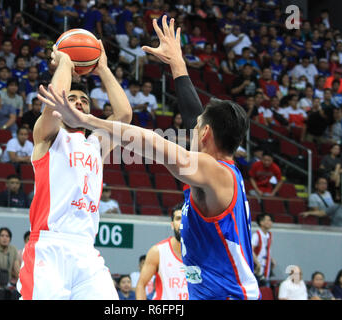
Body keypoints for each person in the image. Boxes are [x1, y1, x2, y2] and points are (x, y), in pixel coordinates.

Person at [38, 16, 260, 300]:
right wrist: (177, 64)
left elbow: (153, 143)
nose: (190, 128)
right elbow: (195, 114)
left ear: (204, 135)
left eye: (197, 127)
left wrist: (88, 119)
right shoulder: (218, 167)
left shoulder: (213, 170)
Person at [17, 40, 132, 300]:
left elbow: (124, 116)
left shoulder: (96, 144)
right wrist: (66, 64)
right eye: (73, 98)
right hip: (49, 244)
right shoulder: (47, 137)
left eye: (84, 100)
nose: (79, 102)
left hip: (86, 251)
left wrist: (102, 68)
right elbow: (53, 103)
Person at [136, 203, 189, 300]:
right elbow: (141, 285)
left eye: (186, 218)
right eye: (178, 218)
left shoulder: (204, 253)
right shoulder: (158, 251)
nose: (182, 222)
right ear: (172, 225)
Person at [252, 213, 275, 287]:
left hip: (266, 266)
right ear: (261, 222)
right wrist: (257, 263)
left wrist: (271, 260)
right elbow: (251, 251)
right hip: (257, 268)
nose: (270, 222)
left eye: (271, 220)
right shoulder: (256, 235)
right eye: (268, 220)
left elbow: (266, 250)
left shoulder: (270, 235)